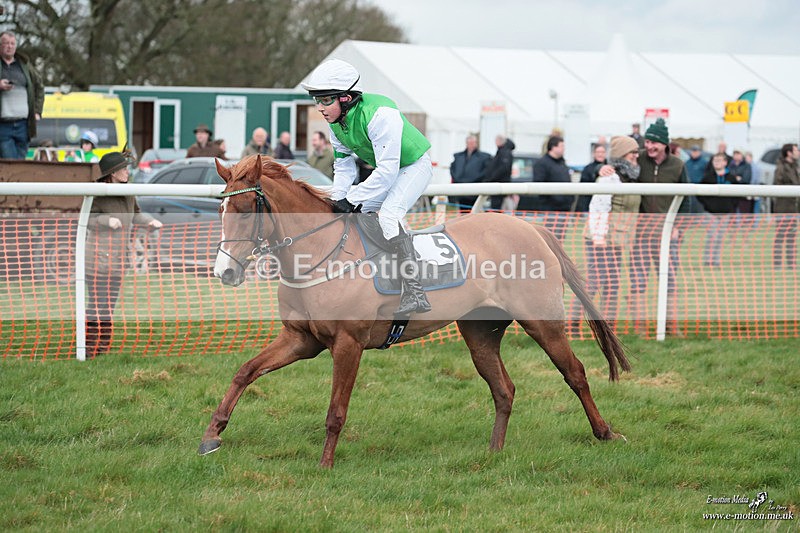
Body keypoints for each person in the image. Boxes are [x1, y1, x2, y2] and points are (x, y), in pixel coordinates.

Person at [301, 59, 433, 316]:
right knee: (350, 215)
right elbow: (344, 168)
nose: (320, 108)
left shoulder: (380, 115)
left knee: (389, 215)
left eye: (325, 100)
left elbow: (387, 172)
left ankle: (415, 291)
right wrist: (338, 200)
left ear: (346, 98)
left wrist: (352, 199)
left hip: (414, 165)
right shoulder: (335, 123)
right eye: (317, 100)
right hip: (387, 170)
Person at [601, 118, 688, 335]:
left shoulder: (678, 166)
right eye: (647, 142)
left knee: (669, 280)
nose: (649, 146)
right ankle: (639, 327)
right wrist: (603, 168)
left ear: (665, 144)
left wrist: (678, 227)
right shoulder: (638, 157)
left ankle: (672, 326)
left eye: (653, 142)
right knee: (638, 281)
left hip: (667, 234)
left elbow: (686, 199)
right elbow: (616, 164)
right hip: (639, 234)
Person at [85, 152, 162, 356]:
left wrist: (150, 222)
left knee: (109, 305)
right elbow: (86, 219)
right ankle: (89, 346)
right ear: (113, 173)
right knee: (97, 304)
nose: (128, 172)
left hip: (119, 260)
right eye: (124, 168)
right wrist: (106, 221)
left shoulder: (129, 193)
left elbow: (136, 214)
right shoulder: (97, 194)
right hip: (97, 260)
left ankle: (103, 346)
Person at [568, 135, 641, 333]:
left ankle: (608, 327)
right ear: (621, 154)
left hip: (616, 241)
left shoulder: (632, 176)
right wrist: (599, 239)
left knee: (612, 284)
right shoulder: (609, 177)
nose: (636, 156)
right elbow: (598, 209)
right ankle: (572, 323)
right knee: (594, 282)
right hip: (600, 239)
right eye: (632, 152)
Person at [0, 31, 44, 159]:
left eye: (12, 43)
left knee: (21, 164)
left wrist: (37, 111)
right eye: (6, 43)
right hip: (3, 125)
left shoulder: (24, 65)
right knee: (10, 162)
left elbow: (39, 86)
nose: (9, 46)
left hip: (24, 125)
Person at [698, 153, 737, 267]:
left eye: (719, 160)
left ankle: (716, 261)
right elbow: (699, 193)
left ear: (725, 162)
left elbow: (737, 195)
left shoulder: (731, 178)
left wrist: (731, 206)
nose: (716, 163)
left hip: (725, 213)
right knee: (712, 236)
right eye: (715, 161)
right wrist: (708, 205)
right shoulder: (708, 177)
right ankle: (708, 260)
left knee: (720, 237)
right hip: (711, 213)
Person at [532, 135, 572, 241]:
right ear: (553, 147)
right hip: (550, 209)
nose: (564, 149)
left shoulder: (562, 163)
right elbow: (539, 184)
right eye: (561, 146)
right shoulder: (542, 164)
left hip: (564, 208)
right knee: (551, 239)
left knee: (560, 239)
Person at [772, 143, 800, 269]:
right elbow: (777, 184)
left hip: (794, 207)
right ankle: (777, 264)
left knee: (792, 237)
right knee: (780, 236)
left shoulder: (795, 166)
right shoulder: (781, 167)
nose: (798, 152)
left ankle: (791, 264)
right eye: (796, 150)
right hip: (783, 208)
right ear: (789, 153)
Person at [449, 134, 490, 210]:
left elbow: (485, 172)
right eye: (469, 143)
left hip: (475, 191)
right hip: (461, 191)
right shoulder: (459, 157)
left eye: (473, 142)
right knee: (463, 211)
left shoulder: (483, 157)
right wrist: (458, 180)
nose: (471, 145)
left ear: (476, 143)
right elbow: (453, 169)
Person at [483, 134, 515, 211]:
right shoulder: (502, 151)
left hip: (500, 185)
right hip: (498, 184)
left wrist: (491, 178)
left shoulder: (505, 152)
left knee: (497, 208)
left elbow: (503, 169)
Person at [576, 143, 607, 212]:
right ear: (594, 154)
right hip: (588, 206)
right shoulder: (587, 169)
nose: (600, 154)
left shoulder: (610, 168)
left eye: (602, 152)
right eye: (598, 152)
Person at [684, 144, 708, 213]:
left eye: (696, 151)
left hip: (700, 189)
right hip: (689, 189)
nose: (694, 153)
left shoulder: (704, 163)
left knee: (699, 208)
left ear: (699, 152)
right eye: (693, 151)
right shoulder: (687, 163)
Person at [728, 148, 753, 214]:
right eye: (735, 153)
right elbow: (728, 177)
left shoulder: (747, 165)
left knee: (744, 214)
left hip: (743, 194)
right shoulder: (730, 165)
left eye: (738, 153)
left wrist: (735, 178)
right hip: (732, 193)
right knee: (732, 214)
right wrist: (736, 178)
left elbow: (746, 179)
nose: (736, 155)